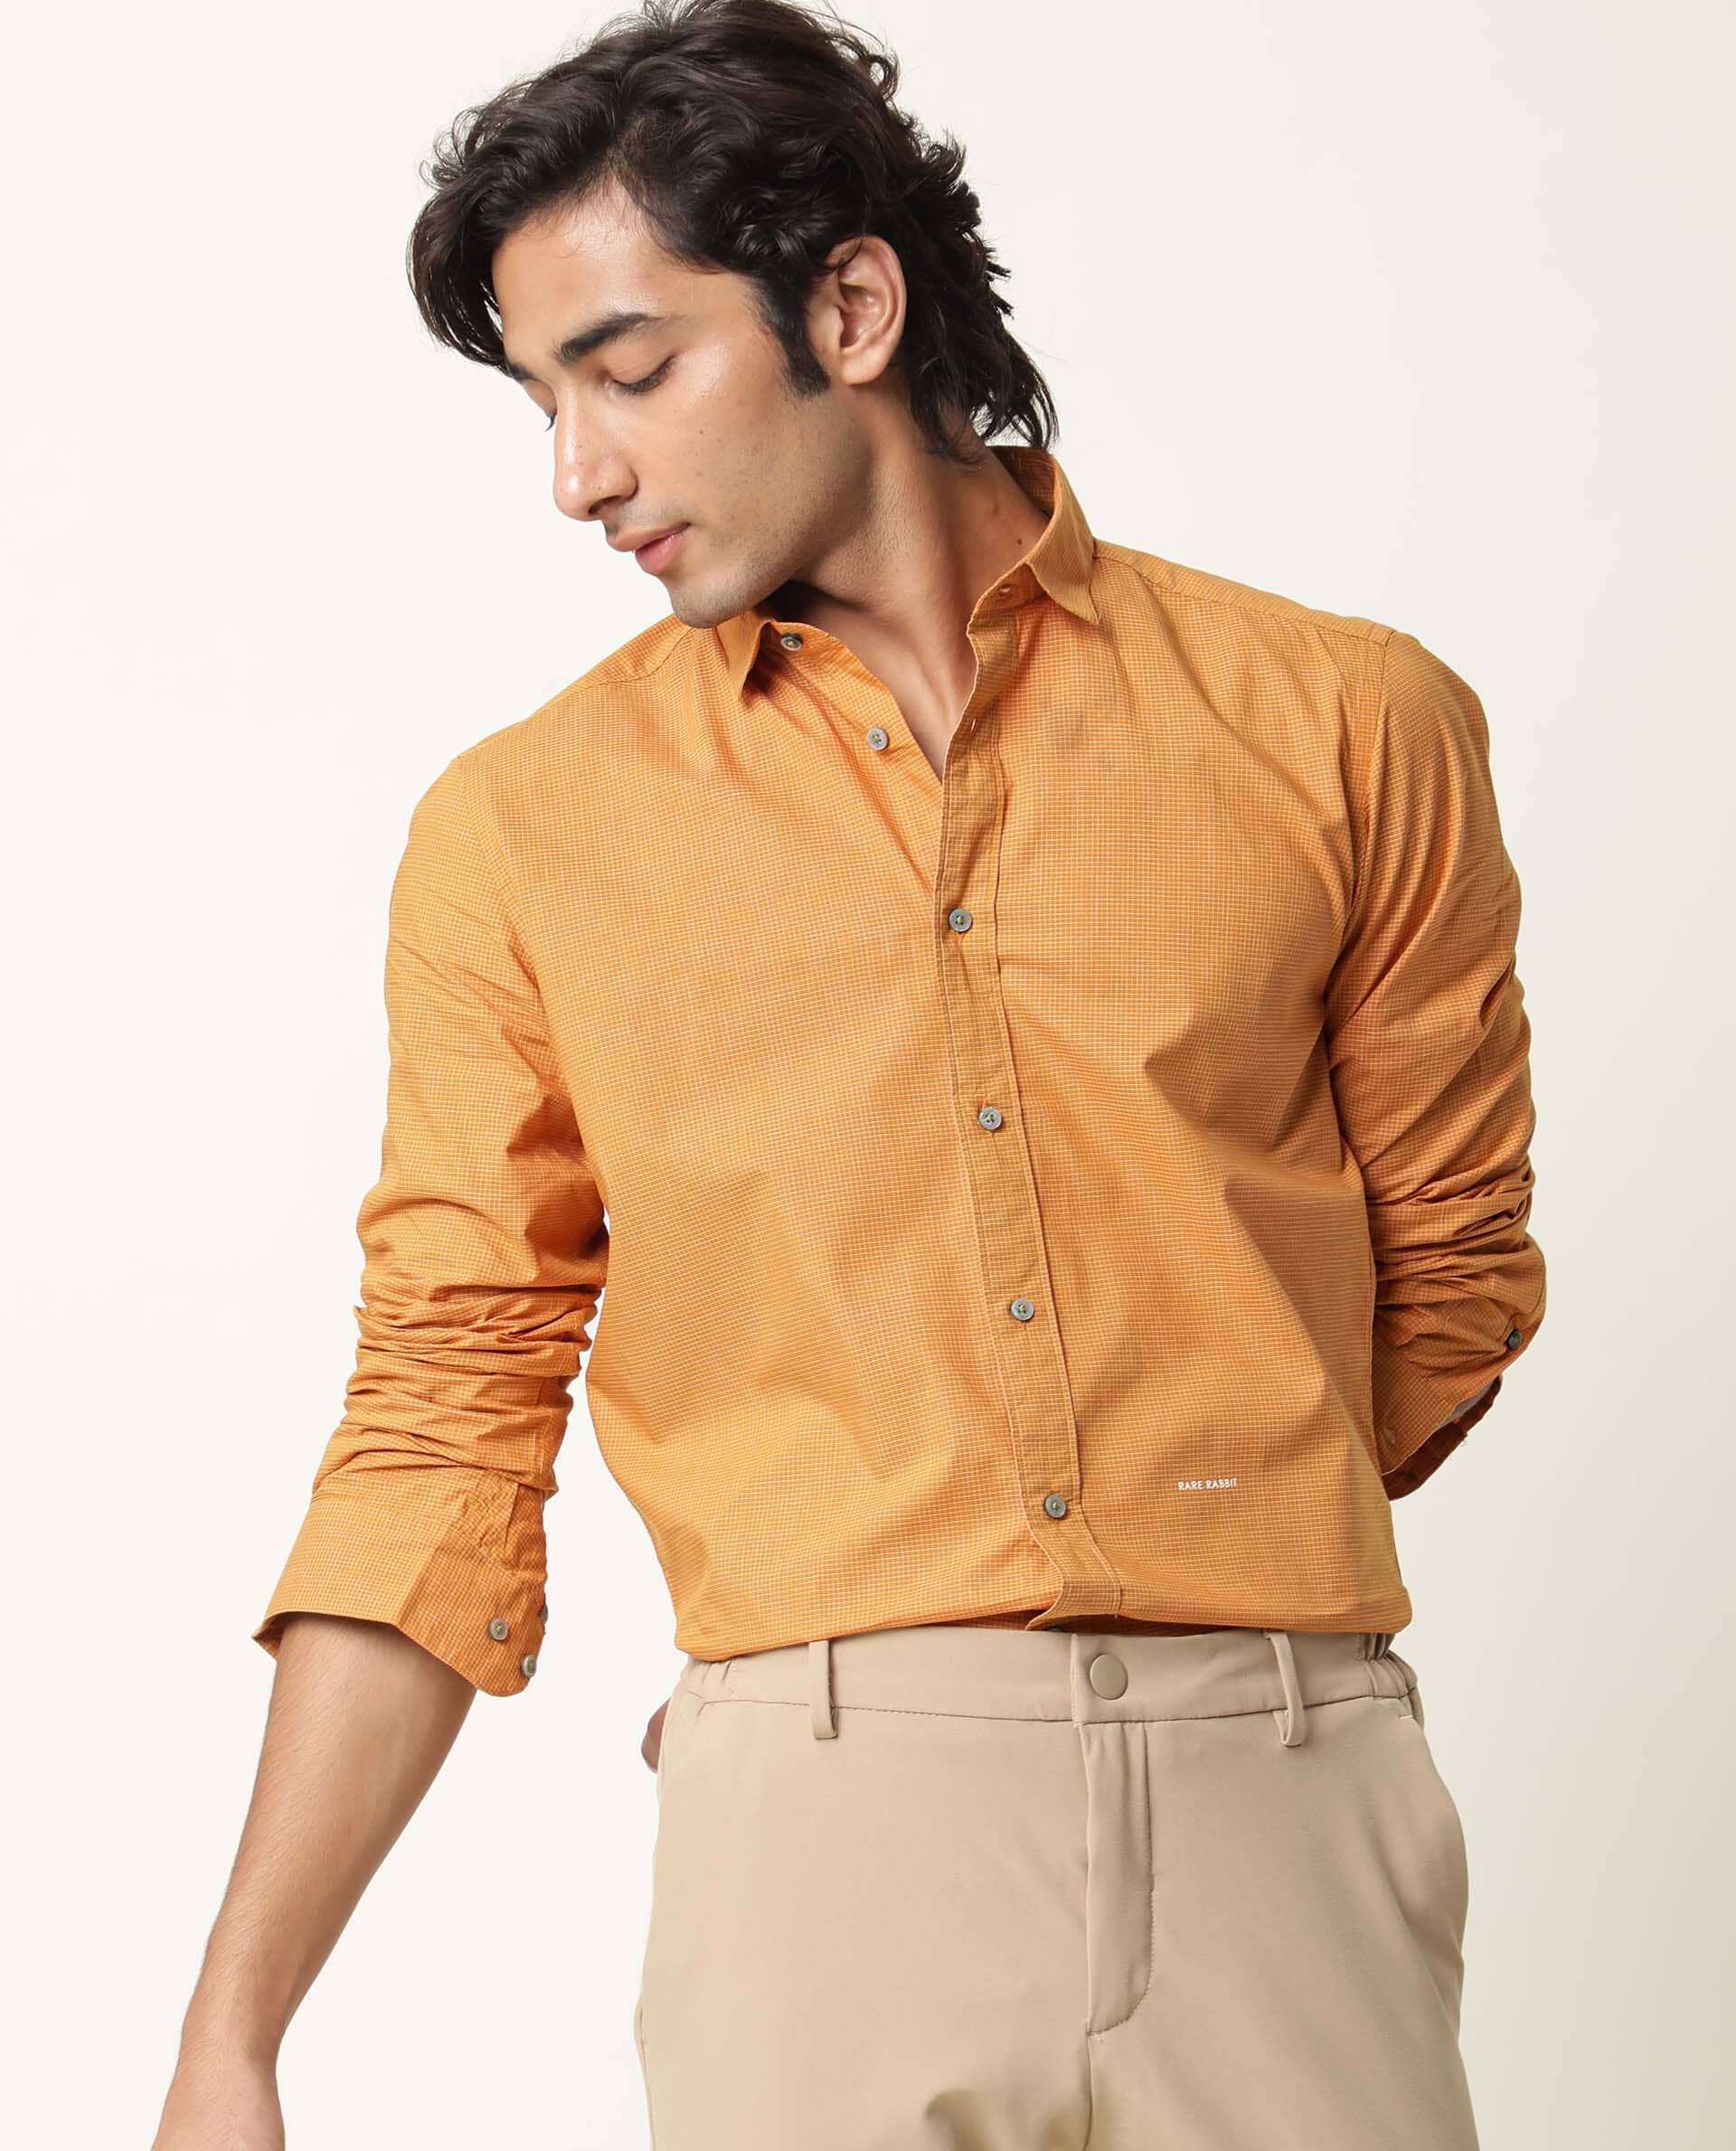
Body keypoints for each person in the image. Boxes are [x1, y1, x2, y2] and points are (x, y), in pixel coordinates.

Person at [152, 2, 1546, 2145]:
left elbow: (1447, 1278)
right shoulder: (526, 833)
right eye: (542, 401)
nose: (577, 473)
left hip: (1291, 1806)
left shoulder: (1348, 724)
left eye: (628, 371)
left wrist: (1196, 1533)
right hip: (823, 1850)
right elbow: (445, 1415)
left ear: (854, 308)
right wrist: (235, 2026)